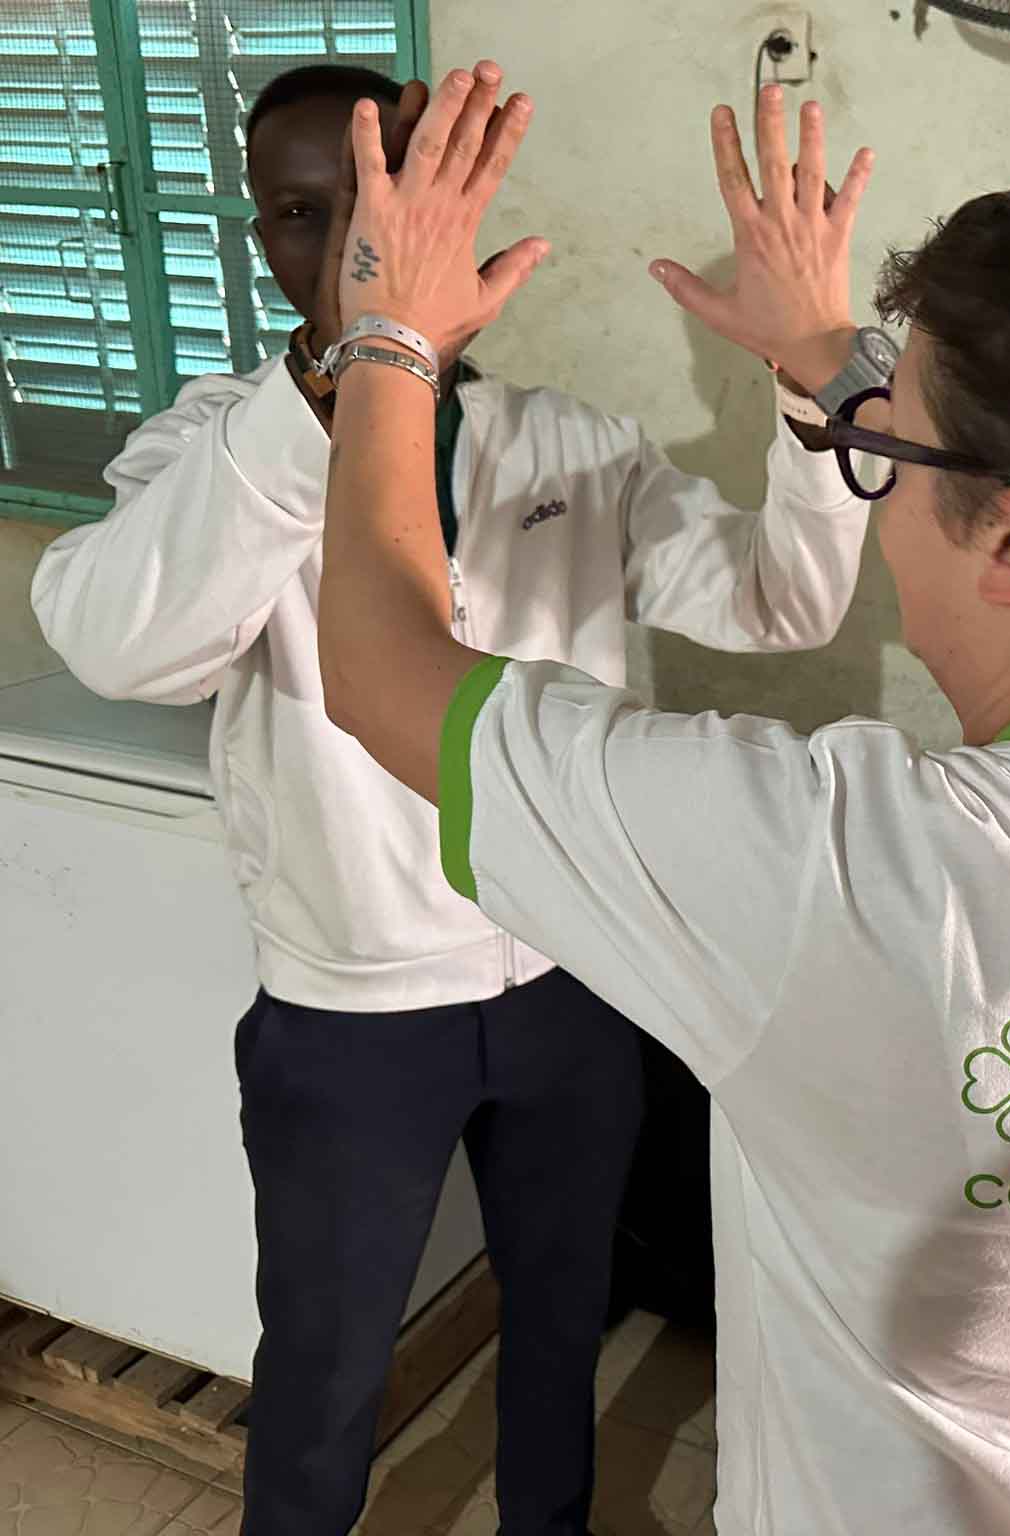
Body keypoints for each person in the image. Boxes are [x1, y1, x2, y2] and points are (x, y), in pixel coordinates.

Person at [317, 61, 1010, 1536]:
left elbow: (377, 672)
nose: (865, 454)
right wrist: (831, 358)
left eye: (895, 441)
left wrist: (386, 337)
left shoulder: (834, 873)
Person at [31, 62, 872, 1536]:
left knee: (560, 1315)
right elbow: (119, 644)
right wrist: (349, 375)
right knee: (325, 1366)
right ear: (260, 237)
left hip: (572, 981)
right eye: (306, 214)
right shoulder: (214, 446)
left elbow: (783, 598)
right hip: (348, 1013)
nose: (354, 246)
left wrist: (818, 377)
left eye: (383, 203)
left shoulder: (570, 446)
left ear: (458, 209)